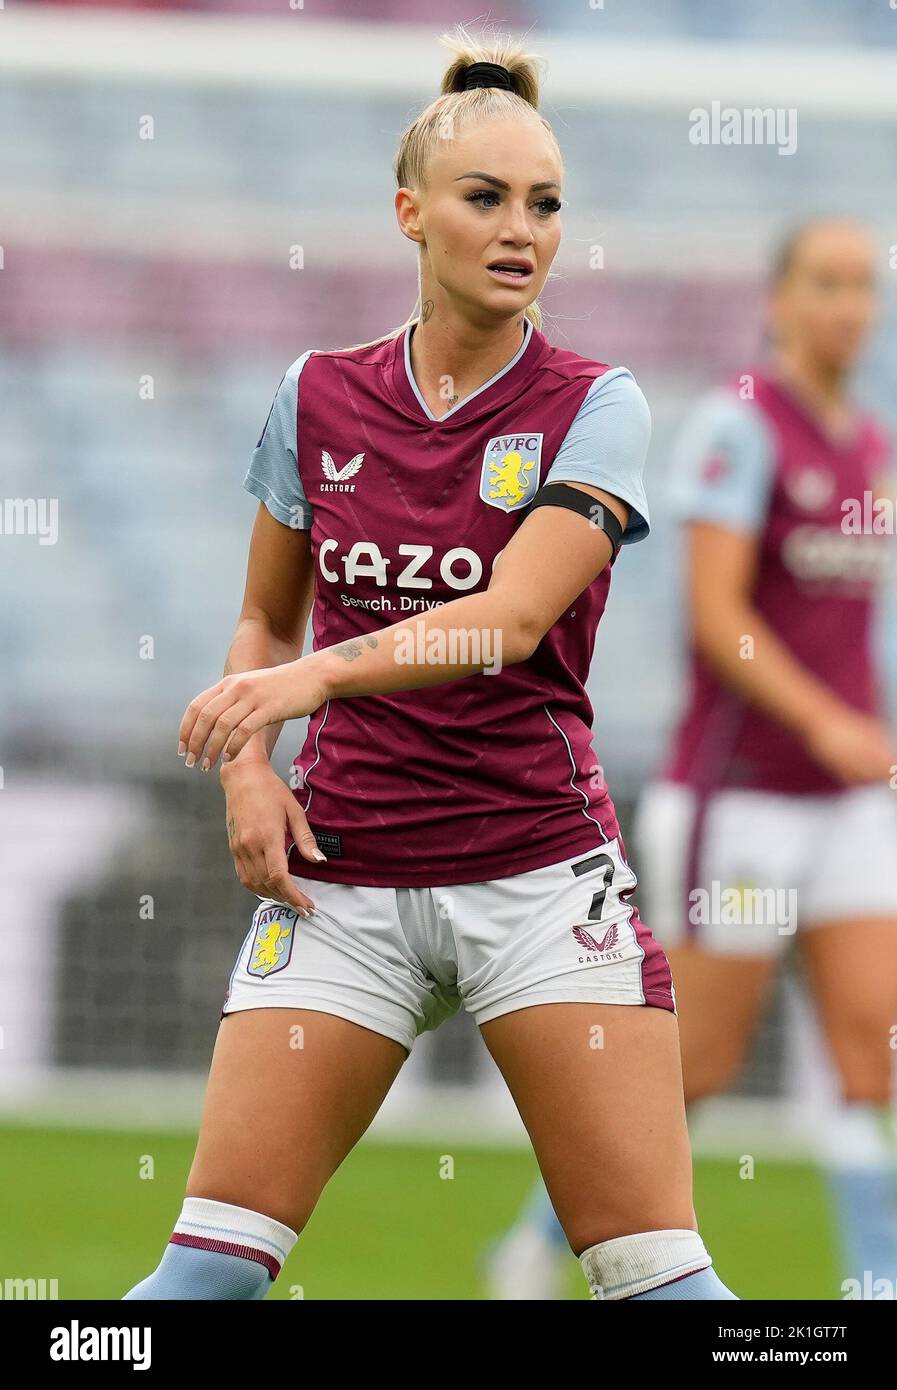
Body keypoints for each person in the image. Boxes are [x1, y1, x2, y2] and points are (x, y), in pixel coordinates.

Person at [123, 25, 736, 1302]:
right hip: (338, 883)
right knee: (197, 1282)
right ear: (410, 213)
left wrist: (307, 685)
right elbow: (261, 624)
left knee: (660, 1285)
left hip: (536, 880)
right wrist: (250, 772)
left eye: (548, 204)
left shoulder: (593, 403)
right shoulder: (316, 395)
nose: (524, 229)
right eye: (487, 197)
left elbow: (507, 623)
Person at [490, 217, 897, 1300]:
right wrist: (823, 720)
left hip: (850, 805)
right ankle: (539, 1242)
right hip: (745, 798)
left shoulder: (872, 444)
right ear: (780, 298)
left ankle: (874, 1285)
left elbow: (860, 630)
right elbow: (719, 619)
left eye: (864, 286)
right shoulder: (741, 424)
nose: (850, 306)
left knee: (871, 1058)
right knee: (701, 1065)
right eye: (828, 283)